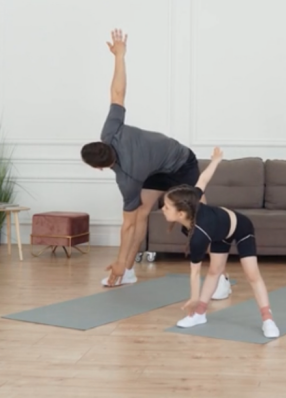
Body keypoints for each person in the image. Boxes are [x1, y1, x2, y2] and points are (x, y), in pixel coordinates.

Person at [80, 28, 231, 299]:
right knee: (140, 214)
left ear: (98, 166)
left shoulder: (127, 177)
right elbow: (118, 91)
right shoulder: (111, 131)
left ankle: (221, 277)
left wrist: (113, 257)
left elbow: (124, 227)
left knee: (200, 218)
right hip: (154, 169)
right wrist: (120, 55)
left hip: (181, 162)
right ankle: (126, 271)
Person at [160, 146, 280, 338]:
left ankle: (268, 320)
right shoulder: (193, 218)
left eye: (166, 207)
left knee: (252, 275)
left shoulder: (198, 231)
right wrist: (195, 300)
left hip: (241, 228)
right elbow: (202, 180)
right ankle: (199, 314)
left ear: (181, 213)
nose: (162, 209)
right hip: (218, 233)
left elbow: (203, 180)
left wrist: (216, 161)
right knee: (214, 271)